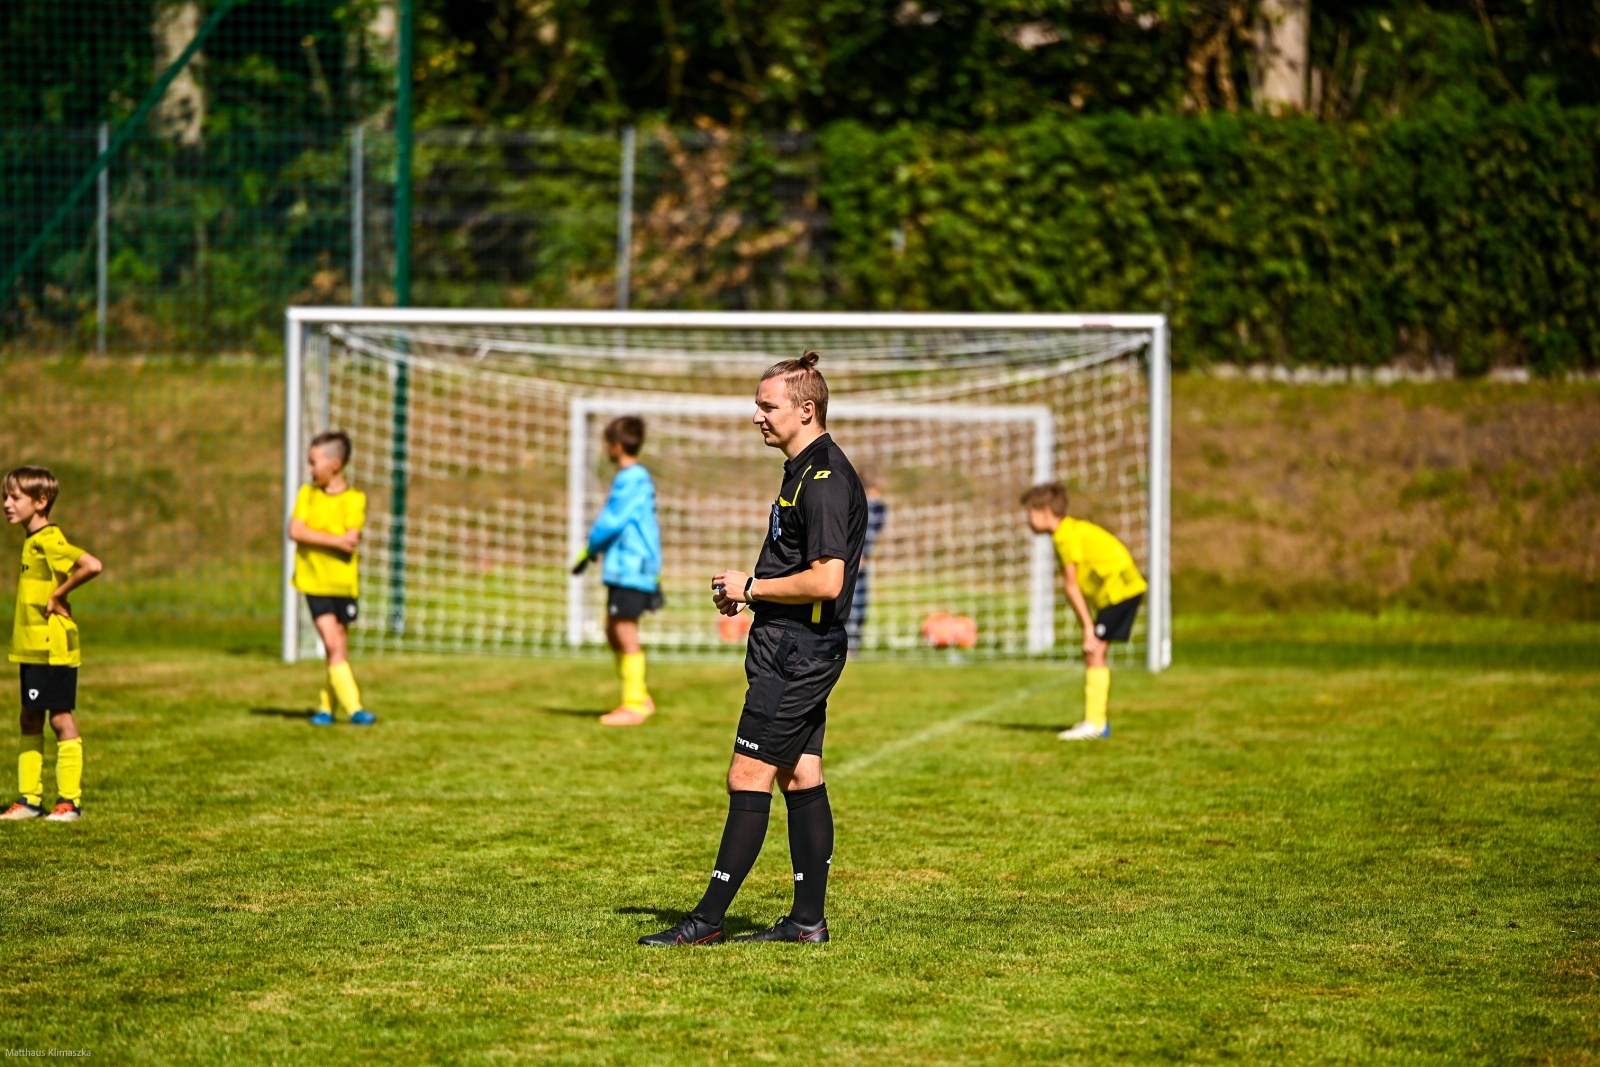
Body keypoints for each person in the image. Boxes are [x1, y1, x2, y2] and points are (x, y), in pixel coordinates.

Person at [639, 351, 867, 947]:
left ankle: (707, 920)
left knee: (747, 776)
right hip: (793, 644)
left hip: (797, 653)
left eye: (768, 406)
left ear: (805, 409)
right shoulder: (802, 470)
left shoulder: (823, 480)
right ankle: (805, 922)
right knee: (801, 775)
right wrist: (751, 596)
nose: (757, 416)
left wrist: (753, 587)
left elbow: (827, 580)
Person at [2, 467, 103, 822]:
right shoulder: (31, 540)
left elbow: (92, 565)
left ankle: (69, 803)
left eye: (15, 497)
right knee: (29, 718)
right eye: (5, 497)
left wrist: (59, 595)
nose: (7, 504)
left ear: (41, 502)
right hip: (30, 646)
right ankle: (30, 801)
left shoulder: (48, 539)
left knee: (60, 719)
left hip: (51, 646)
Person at [1022, 482, 1147, 741]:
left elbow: (1071, 586)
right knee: (1096, 652)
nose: (1027, 520)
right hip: (1123, 588)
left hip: (1119, 592)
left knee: (1094, 650)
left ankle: (1096, 723)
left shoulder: (1065, 536)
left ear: (1044, 511)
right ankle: (1096, 721)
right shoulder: (1072, 530)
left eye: (1030, 513)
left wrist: (1088, 628)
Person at [572, 416, 662, 727]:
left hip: (631, 568)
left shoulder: (632, 478)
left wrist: (590, 547)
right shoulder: (634, 477)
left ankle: (634, 704)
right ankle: (639, 696)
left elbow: (613, 521)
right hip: (629, 566)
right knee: (613, 629)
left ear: (616, 446)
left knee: (624, 631)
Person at [288, 431, 374, 726]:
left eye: (314, 463)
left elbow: (350, 539)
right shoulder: (307, 494)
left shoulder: (355, 499)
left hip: (343, 584)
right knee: (332, 643)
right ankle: (355, 708)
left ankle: (326, 708)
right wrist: (334, 540)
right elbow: (296, 531)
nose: (310, 469)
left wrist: (320, 537)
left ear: (335, 464)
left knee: (337, 649)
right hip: (315, 582)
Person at [845, 466, 889, 653]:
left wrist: (864, 554)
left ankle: (852, 645)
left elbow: (872, 534)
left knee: (859, 603)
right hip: (847, 560)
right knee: (850, 603)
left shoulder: (879, 508)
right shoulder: (855, 504)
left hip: (859, 560)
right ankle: (846, 646)